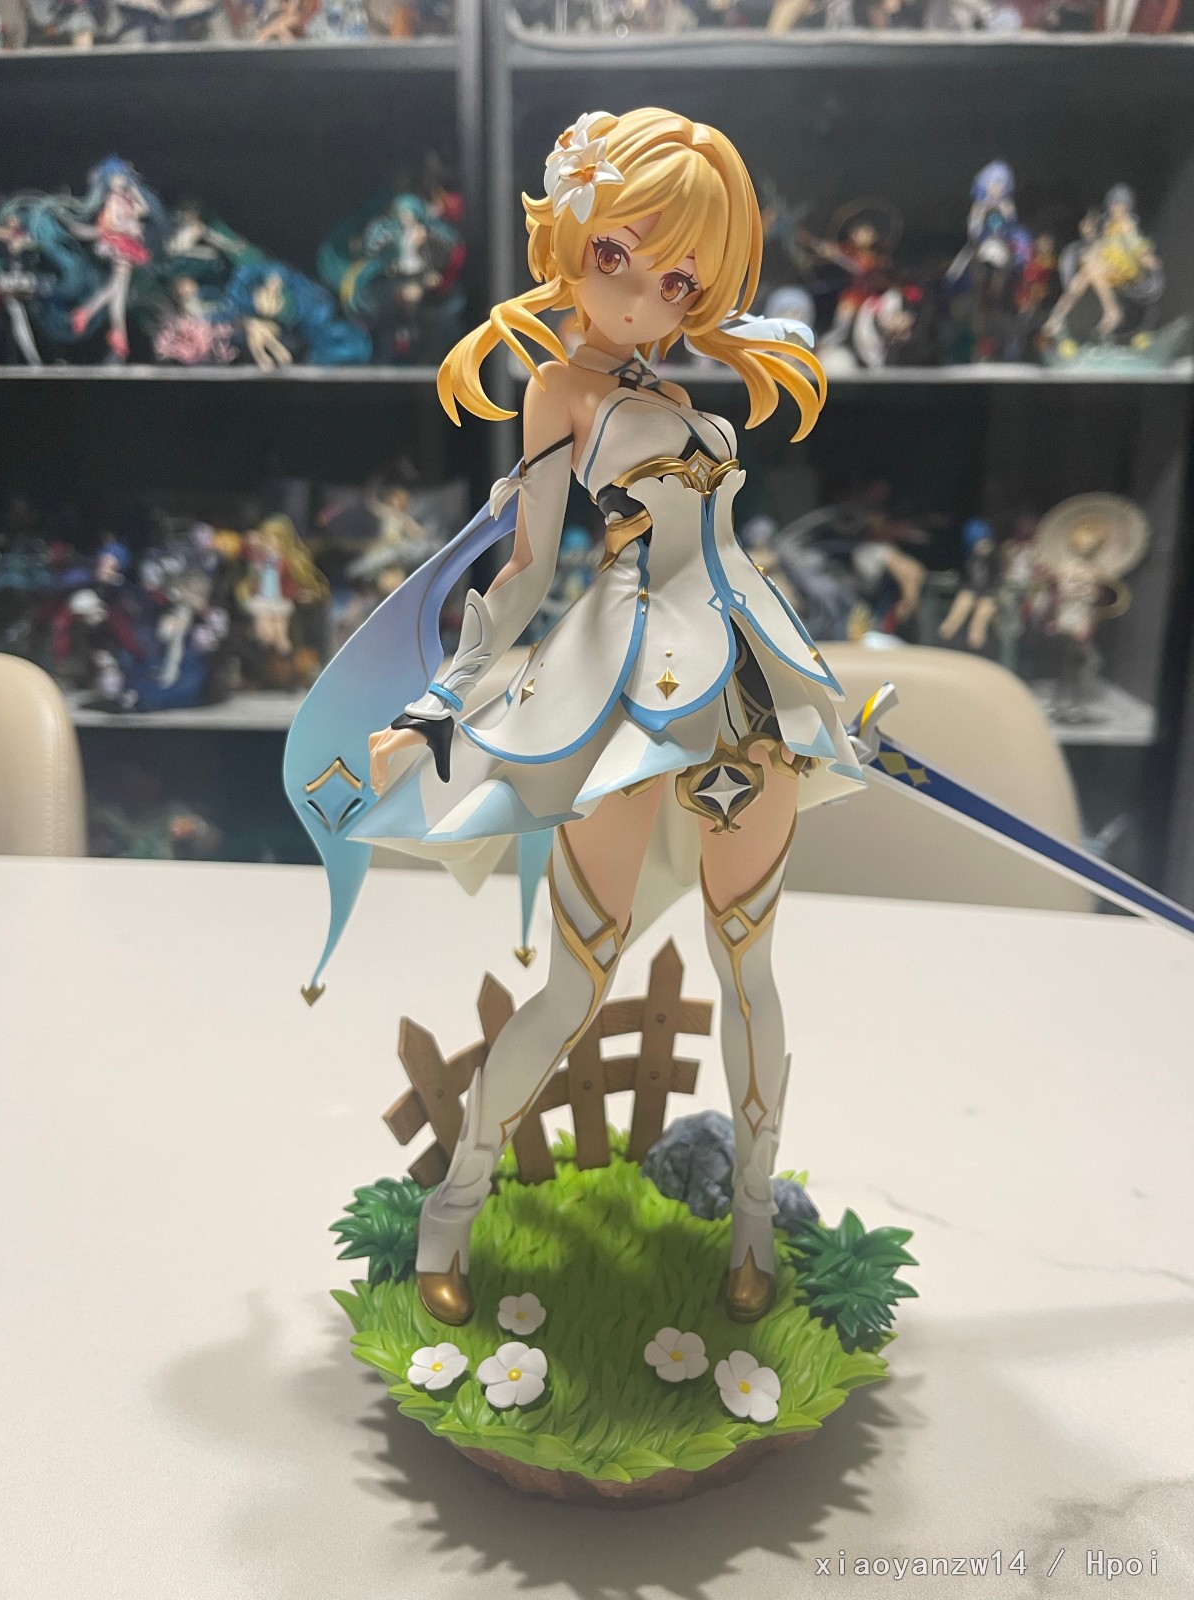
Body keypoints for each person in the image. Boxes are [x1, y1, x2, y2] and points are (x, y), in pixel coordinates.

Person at [285, 107, 867, 1330]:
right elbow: (524, 570)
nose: (647, 298)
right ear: (572, 235)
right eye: (620, 256)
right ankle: (452, 1212)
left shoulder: (679, 389)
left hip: (747, 699)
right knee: (574, 986)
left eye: (681, 281)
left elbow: (726, 558)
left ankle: (752, 1224)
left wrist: (818, 687)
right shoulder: (556, 388)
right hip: (621, 697)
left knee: (751, 970)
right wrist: (440, 706)